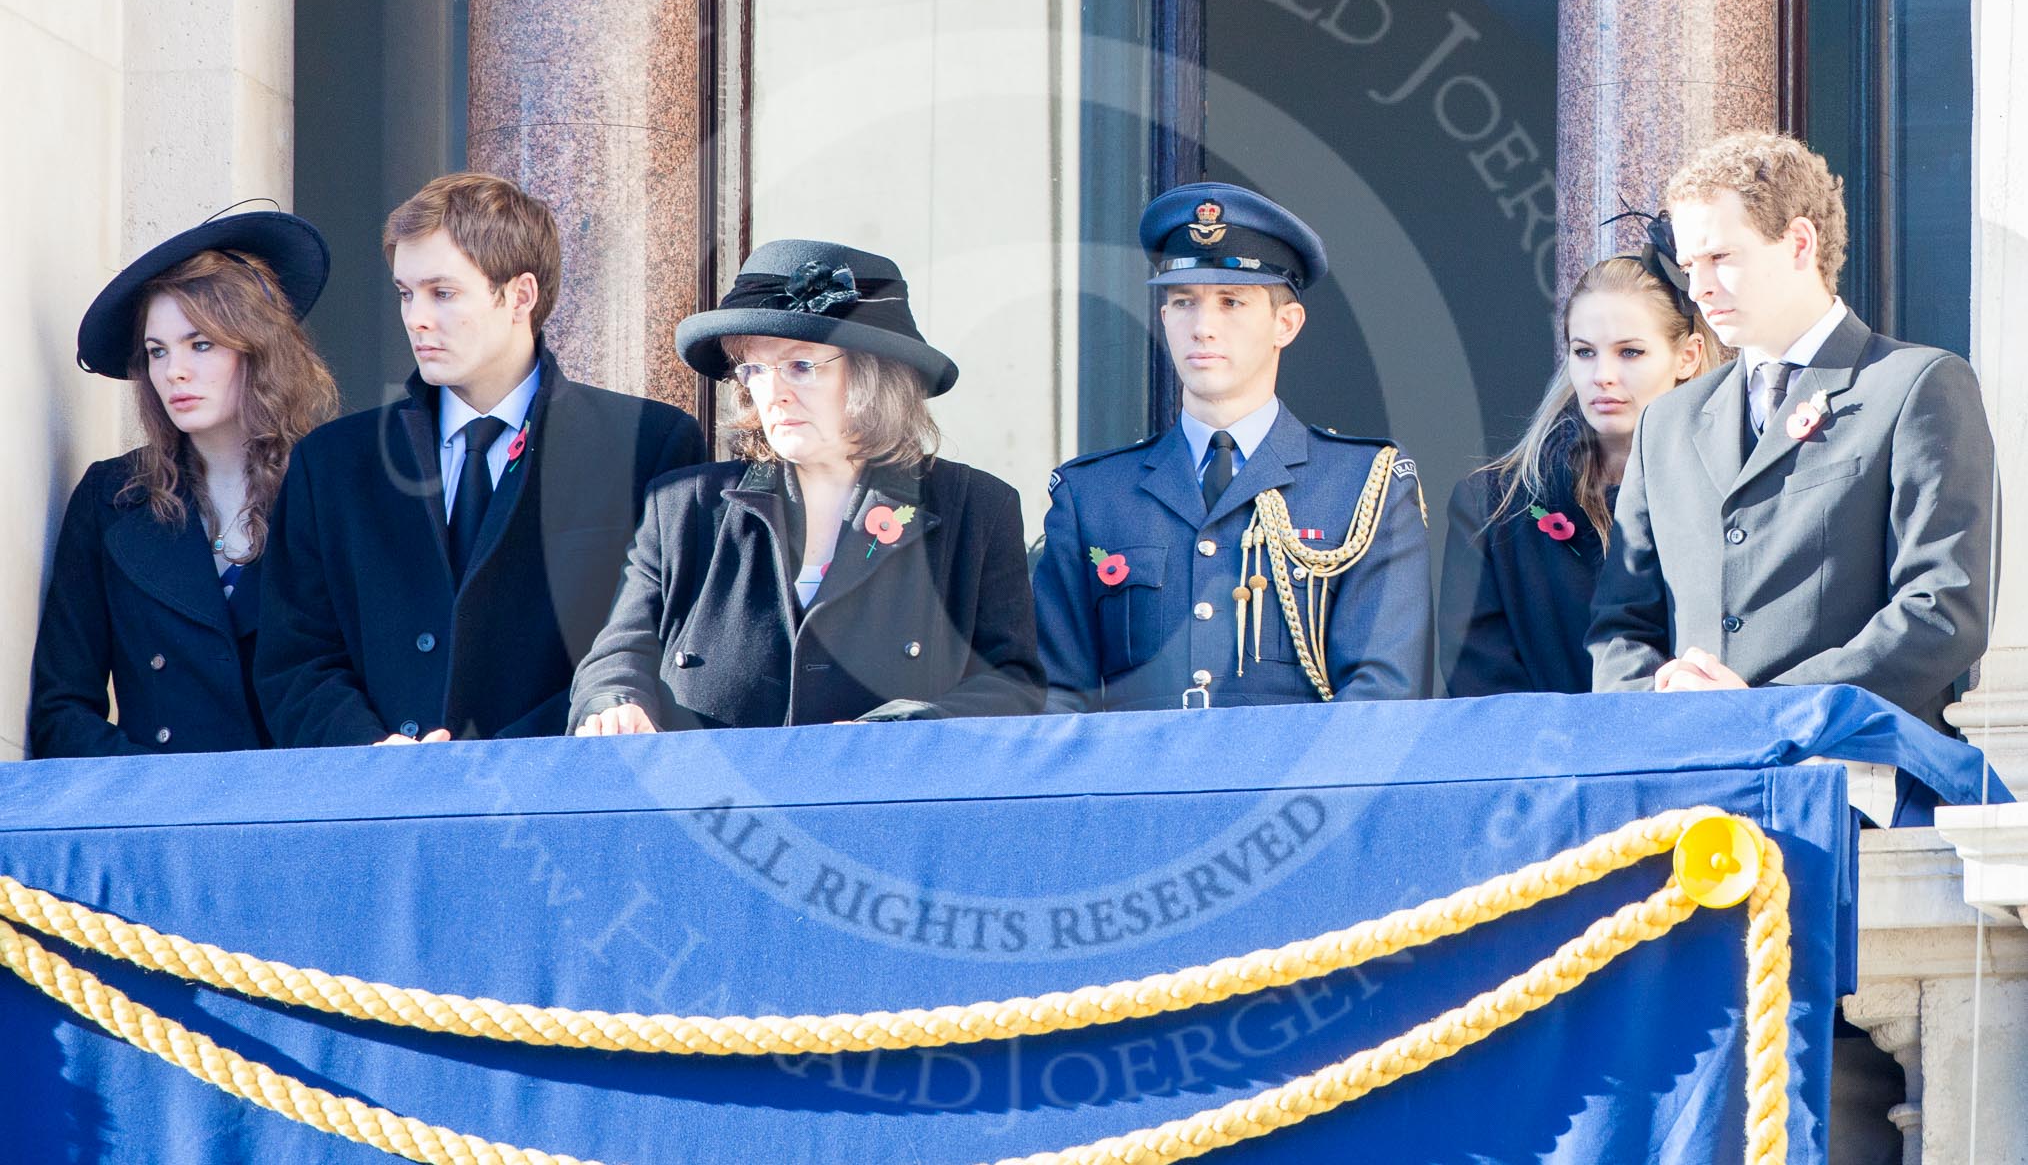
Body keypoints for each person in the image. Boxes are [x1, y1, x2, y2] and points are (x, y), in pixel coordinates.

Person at [256, 172, 707, 745]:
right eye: (405, 292)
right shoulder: (332, 462)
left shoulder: (650, 444)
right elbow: (295, 657)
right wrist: (367, 751)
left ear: (520, 295)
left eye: (442, 293)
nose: (416, 317)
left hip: (560, 798)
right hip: (380, 805)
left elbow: (660, 642)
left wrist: (496, 761)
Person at [1588, 131, 1995, 728]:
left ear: (1799, 243)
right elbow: (1621, 626)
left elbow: (1943, 610)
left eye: (1721, 258)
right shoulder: (1666, 422)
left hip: (1854, 784)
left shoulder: (1918, 385)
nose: (1697, 288)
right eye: (1689, 264)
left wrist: (1764, 710)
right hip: (1687, 781)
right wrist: (1659, 717)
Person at [568, 240, 1043, 733]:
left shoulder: (976, 509)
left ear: (874, 375)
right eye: (754, 368)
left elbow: (1011, 686)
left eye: (801, 366)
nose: (773, 393)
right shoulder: (683, 508)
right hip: (711, 807)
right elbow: (617, 655)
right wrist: (615, 705)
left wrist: (904, 731)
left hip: (883, 803)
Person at [1032, 182, 1432, 711]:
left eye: (1231, 302)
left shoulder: (1363, 485)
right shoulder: (1093, 494)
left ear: (1285, 324)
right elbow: (1055, 700)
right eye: (1183, 303)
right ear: (1164, 318)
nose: (1203, 327)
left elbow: (1383, 694)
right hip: (1135, 792)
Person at [31, 211, 339, 756]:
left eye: (200, 345)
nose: (174, 371)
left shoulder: (332, 489)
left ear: (258, 348)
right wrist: (157, 793)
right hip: (163, 819)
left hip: (302, 814)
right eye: (157, 351)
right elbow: (61, 711)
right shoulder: (113, 498)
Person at [1440, 237, 1720, 695]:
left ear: (1687, 356)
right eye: (1584, 351)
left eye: (1630, 352)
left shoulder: (1730, 493)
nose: (1602, 375)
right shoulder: (1494, 504)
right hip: (1546, 764)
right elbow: (1480, 693)